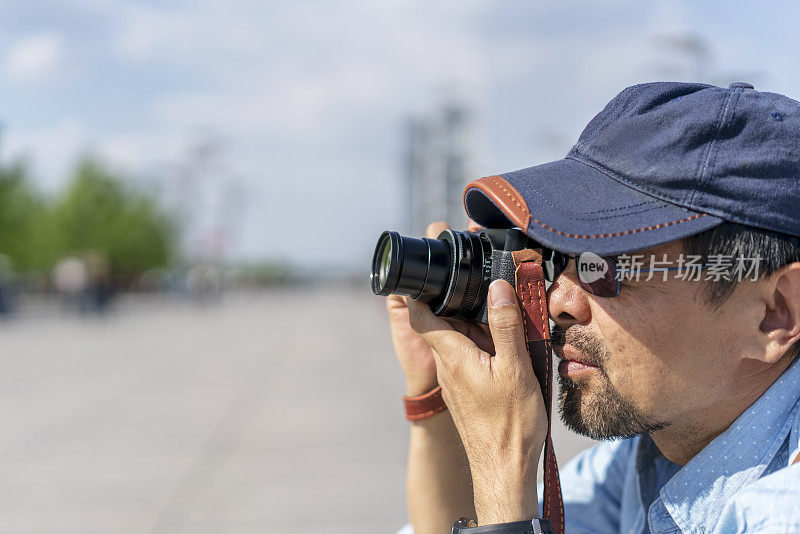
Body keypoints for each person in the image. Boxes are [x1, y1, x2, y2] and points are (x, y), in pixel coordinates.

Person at [389, 82, 800, 533]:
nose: (555, 302)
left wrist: (504, 462)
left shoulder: (781, 510)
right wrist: (437, 397)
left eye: (604, 270)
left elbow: (503, 513)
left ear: (774, 313)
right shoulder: (657, 453)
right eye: (558, 260)